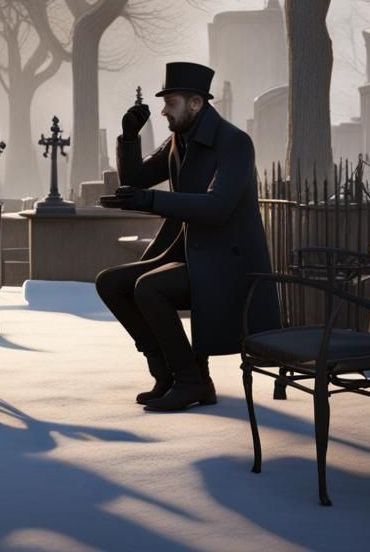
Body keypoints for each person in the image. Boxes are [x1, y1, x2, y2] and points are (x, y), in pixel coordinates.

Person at [96, 61, 280, 412]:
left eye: (171, 102)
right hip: (191, 253)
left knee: (149, 287)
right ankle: (167, 373)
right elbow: (136, 179)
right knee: (111, 283)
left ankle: (191, 380)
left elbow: (218, 207)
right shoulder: (180, 140)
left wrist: (150, 201)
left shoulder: (235, 144)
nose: (163, 110)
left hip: (226, 263)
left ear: (196, 104)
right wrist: (130, 136)